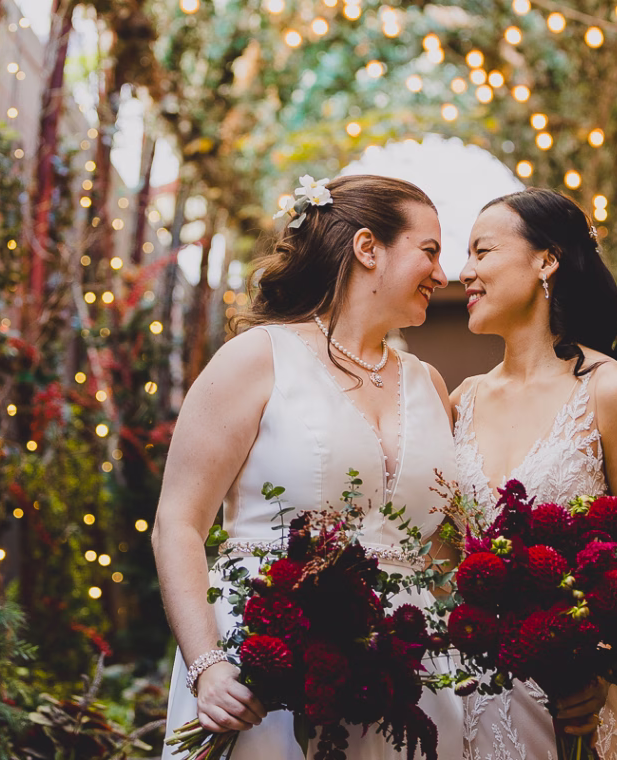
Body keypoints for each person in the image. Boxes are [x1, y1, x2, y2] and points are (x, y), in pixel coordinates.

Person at [153, 175, 464, 759]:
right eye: (430, 251)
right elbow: (179, 522)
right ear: (368, 248)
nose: (443, 275)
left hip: (406, 683)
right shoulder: (257, 358)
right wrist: (208, 666)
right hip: (264, 670)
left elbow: (444, 553)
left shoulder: (430, 385)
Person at [451, 188, 617, 760]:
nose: (465, 272)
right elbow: (445, 555)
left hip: (578, 707)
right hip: (472, 698)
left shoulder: (610, 390)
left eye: (482, 252)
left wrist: (590, 661)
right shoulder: (460, 401)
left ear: (546, 261)